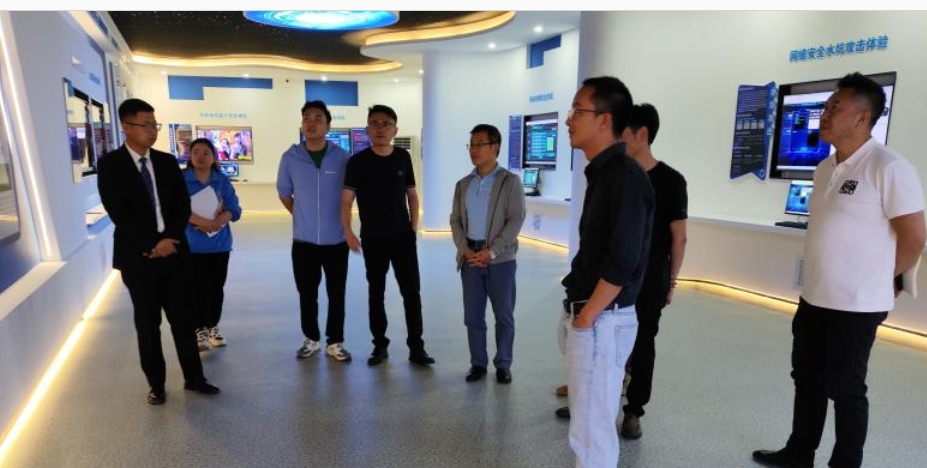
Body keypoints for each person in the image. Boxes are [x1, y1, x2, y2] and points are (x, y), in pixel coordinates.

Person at [754, 73, 926, 468]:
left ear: (863, 118)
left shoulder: (888, 166)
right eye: (826, 106)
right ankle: (799, 453)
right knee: (807, 379)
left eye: (835, 107)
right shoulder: (824, 167)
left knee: (845, 388)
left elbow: (915, 237)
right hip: (815, 296)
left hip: (857, 304)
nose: (825, 114)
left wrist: (888, 277)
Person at [97, 98, 220, 405]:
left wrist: (171, 239)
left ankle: (195, 378)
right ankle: (156, 384)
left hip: (175, 254)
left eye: (155, 124)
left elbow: (182, 205)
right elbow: (118, 212)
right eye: (146, 125)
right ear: (126, 127)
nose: (152, 131)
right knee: (147, 324)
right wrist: (152, 244)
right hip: (139, 259)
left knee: (183, 320)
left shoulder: (166, 162)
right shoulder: (111, 165)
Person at [559, 77, 653, 468]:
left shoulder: (625, 177)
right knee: (586, 423)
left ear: (604, 119)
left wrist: (586, 318)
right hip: (592, 316)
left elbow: (623, 260)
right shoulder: (602, 172)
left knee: (593, 430)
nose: (569, 120)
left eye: (577, 110)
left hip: (602, 320)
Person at [342, 104, 435, 367]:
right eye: (374, 123)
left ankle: (416, 348)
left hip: (403, 239)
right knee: (376, 294)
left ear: (395, 129)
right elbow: (346, 202)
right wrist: (348, 232)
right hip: (373, 239)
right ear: (367, 128)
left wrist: (413, 228)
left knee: (411, 294)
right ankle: (380, 346)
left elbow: (412, 195)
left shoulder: (403, 157)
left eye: (386, 124)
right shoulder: (357, 162)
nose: (380, 128)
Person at [617, 103, 689, 439]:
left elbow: (679, 237)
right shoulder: (616, 175)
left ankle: (634, 409)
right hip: (614, 276)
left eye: (622, 131)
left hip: (649, 280)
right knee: (609, 340)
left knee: (643, 344)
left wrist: (671, 282)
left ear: (642, 134)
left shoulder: (671, 181)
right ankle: (595, 398)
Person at [449, 124, 526, 384]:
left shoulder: (509, 182)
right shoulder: (463, 184)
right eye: (471, 144)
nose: (474, 149)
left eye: (480, 144)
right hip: (470, 258)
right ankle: (478, 364)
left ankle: (503, 364)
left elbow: (516, 220)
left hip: (500, 260)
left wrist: (492, 252)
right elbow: (455, 220)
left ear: (495, 147)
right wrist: (464, 249)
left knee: (503, 315)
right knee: (472, 317)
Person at [277, 100, 353, 362]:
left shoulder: (343, 158)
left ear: (328, 126)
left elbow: (350, 195)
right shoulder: (290, 158)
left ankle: (335, 342)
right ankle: (311, 339)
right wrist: (301, 216)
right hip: (304, 242)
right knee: (307, 294)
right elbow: (284, 193)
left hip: (337, 241)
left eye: (318, 118)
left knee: (336, 294)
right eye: (307, 118)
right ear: (301, 125)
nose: (311, 123)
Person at [183, 138, 242, 352]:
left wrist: (219, 221)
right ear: (190, 156)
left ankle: (212, 326)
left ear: (214, 157)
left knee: (216, 288)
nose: (201, 156)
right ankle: (198, 328)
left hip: (219, 245)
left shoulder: (221, 181)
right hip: (192, 246)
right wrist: (205, 222)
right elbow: (177, 209)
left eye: (206, 152)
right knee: (195, 289)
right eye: (196, 152)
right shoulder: (182, 180)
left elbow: (235, 209)